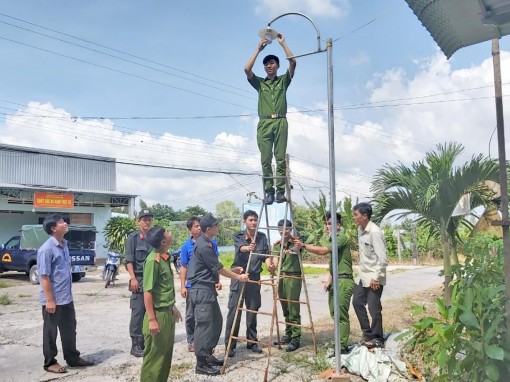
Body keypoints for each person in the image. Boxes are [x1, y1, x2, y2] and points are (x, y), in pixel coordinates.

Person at [187, 213, 249, 376]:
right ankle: (201, 363)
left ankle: (208, 355)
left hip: (207, 289)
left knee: (214, 322)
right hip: (202, 290)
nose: (218, 227)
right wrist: (238, 277)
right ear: (209, 229)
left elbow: (214, 268)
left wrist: (232, 271)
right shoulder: (203, 246)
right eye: (216, 225)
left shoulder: (206, 242)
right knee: (205, 326)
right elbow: (218, 268)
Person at [37, 214, 94, 374]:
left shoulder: (64, 244)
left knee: (69, 329)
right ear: (54, 228)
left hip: (66, 298)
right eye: (61, 222)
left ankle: (72, 358)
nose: (65, 223)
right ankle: (50, 362)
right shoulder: (46, 249)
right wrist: (49, 300)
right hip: (53, 300)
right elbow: (44, 276)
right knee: (50, 332)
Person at [244, 33, 296, 205]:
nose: (269, 66)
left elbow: (293, 62)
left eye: (272, 63)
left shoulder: (283, 81)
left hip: (280, 121)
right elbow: (246, 69)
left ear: (277, 65)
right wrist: (258, 49)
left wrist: (283, 43)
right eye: (266, 64)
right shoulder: (260, 83)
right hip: (264, 123)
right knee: (265, 158)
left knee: (280, 158)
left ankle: (280, 191)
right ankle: (269, 192)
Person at [296, 211, 354, 353]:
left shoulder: (341, 238)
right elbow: (333, 264)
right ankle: (339, 343)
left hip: (344, 280)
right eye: (327, 224)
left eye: (331, 224)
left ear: (338, 225)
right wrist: (329, 280)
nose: (328, 227)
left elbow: (323, 251)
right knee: (334, 314)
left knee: (341, 316)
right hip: (336, 280)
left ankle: (342, 346)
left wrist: (304, 246)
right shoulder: (332, 238)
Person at [224, 209, 275, 357]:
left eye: (255, 220)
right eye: (250, 220)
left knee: (252, 310)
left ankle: (252, 342)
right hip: (239, 277)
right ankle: (230, 345)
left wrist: (269, 264)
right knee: (235, 311)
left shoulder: (262, 237)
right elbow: (240, 248)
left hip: (254, 278)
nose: (253, 222)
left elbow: (265, 255)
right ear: (245, 221)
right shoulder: (239, 236)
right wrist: (248, 247)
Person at [140, 226, 182, 382]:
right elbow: (148, 292)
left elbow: (163, 289)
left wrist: (173, 307)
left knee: (164, 356)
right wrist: (151, 319)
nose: (171, 233)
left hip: (167, 313)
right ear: (163, 241)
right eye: (168, 232)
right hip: (157, 315)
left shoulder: (165, 257)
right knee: (154, 359)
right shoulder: (153, 260)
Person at [180, 216, 221, 353]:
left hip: (206, 286)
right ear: (190, 230)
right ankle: (194, 343)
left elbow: (215, 264)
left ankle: (206, 351)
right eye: (196, 226)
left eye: (199, 226)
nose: (198, 228)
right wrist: (183, 286)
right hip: (195, 286)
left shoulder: (210, 243)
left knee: (209, 319)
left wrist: (217, 280)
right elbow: (184, 267)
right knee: (193, 316)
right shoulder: (189, 246)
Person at [352, 202, 388, 348]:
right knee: (357, 302)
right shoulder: (360, 230)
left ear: (365, 216)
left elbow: (383, 259)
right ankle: (367, 333)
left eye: (356, 215)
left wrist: (377, 277)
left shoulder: (375, 232)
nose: (354, 217)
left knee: (374, 308)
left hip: (374, 277)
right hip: (363, 276)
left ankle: (377, 338)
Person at [125, 209, 153, 357]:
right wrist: (133, 278)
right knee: (138, 311)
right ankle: (135, 344)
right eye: (144, 219)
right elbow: (129, 260)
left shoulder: (155, 237)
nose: (147, 222)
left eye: (149, 219)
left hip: (153, 279)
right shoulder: (133, 238)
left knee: (152, 309)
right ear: (139, 222)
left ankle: (148, 339)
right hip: (140, 278)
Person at [271, 219, 302, 352]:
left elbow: (298, 248)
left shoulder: (296, 242)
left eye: (287, 229)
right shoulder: (277, 245)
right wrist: (272, 266)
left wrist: (292, 249)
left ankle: (296, 337)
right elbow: (275, 260)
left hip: (293, 277)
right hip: (282, 276)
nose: (284, 231)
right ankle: (288, 333)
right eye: (281, 229)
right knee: (285, 306)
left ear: (291, 229)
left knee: (293, 306)